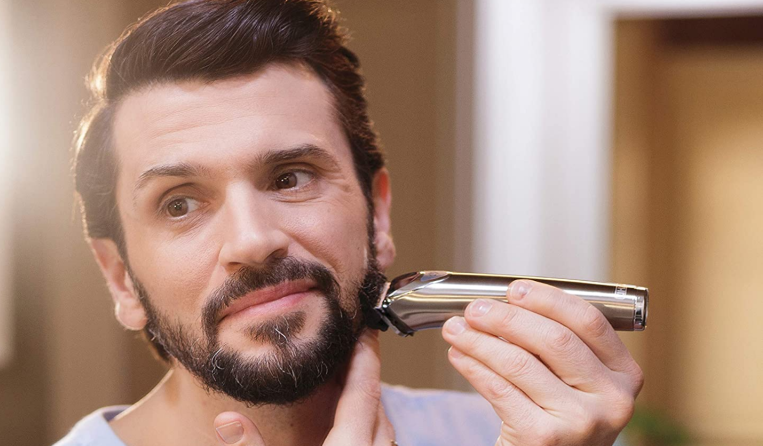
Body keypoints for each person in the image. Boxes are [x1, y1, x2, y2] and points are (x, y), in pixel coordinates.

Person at [56, 0, 644, 445]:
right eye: (179, 204)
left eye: (291, 177)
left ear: (378, 213)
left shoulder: (509, 435)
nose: (254, 240)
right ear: (120, 279)